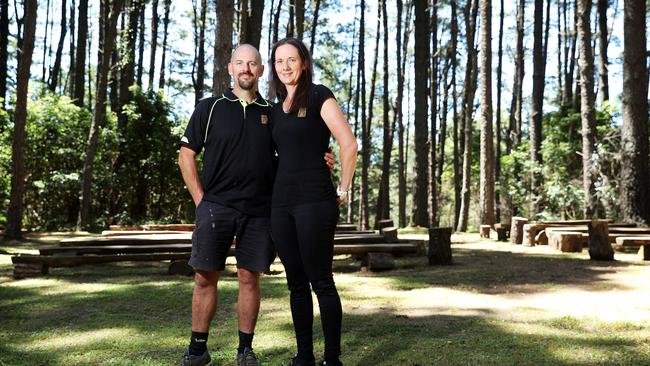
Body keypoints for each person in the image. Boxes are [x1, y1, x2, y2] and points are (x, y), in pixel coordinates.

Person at [177, 44, 335, 366]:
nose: (247, 68)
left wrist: (320, 159)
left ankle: (244, 350)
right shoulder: (209, 108)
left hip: (260, 209)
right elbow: (186, 154)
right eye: (240, 63)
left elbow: (292, 151)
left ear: (262, 70)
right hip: (216, 206)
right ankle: (197, 350)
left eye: (253, 63)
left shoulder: (274, 113)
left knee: (250, 277)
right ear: (230, 69)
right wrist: (200, 201)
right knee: (205, 277)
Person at [268, 37, 358, 366]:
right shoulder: (275, 110)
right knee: (295, 284)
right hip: (281, 206)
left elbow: (348, 144)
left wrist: (343, 189)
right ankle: (304, 356)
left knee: (321, 280)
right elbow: (276, 158)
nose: (286, 66)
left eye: (292, 59)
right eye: (279, 61)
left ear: (304, 63)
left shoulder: (319, 95)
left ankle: (331, 359)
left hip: (315, 202)